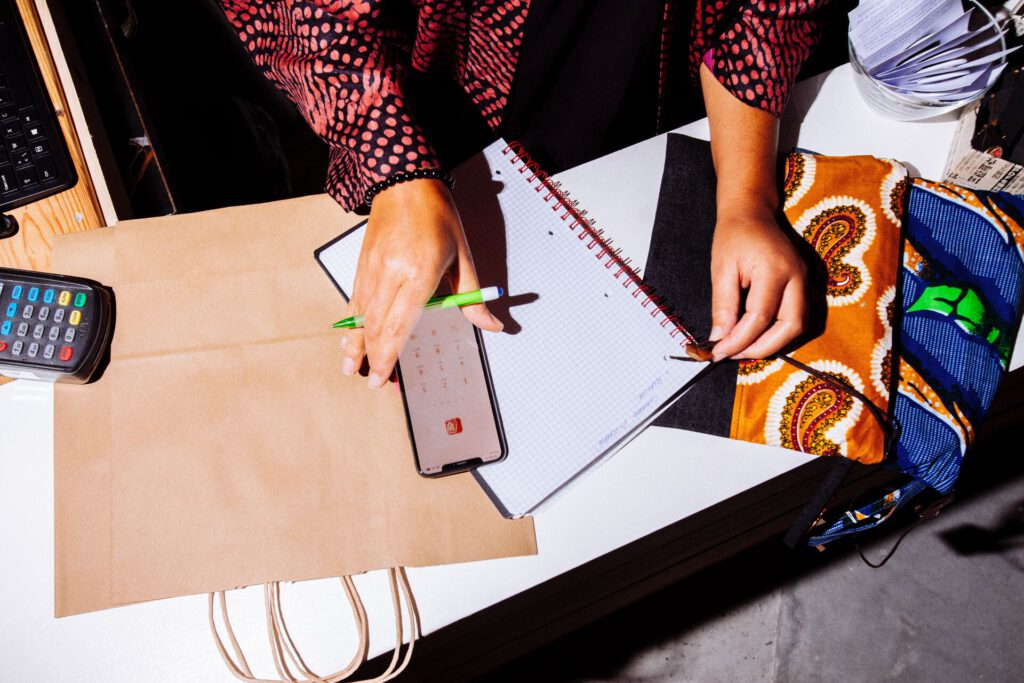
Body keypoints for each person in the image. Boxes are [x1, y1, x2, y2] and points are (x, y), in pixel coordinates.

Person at [219, 0, 827, 388]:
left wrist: (747, 199)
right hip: (443, 88)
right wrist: (396, 170)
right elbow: (310, 15)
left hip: (649, 96)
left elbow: (767, 17)